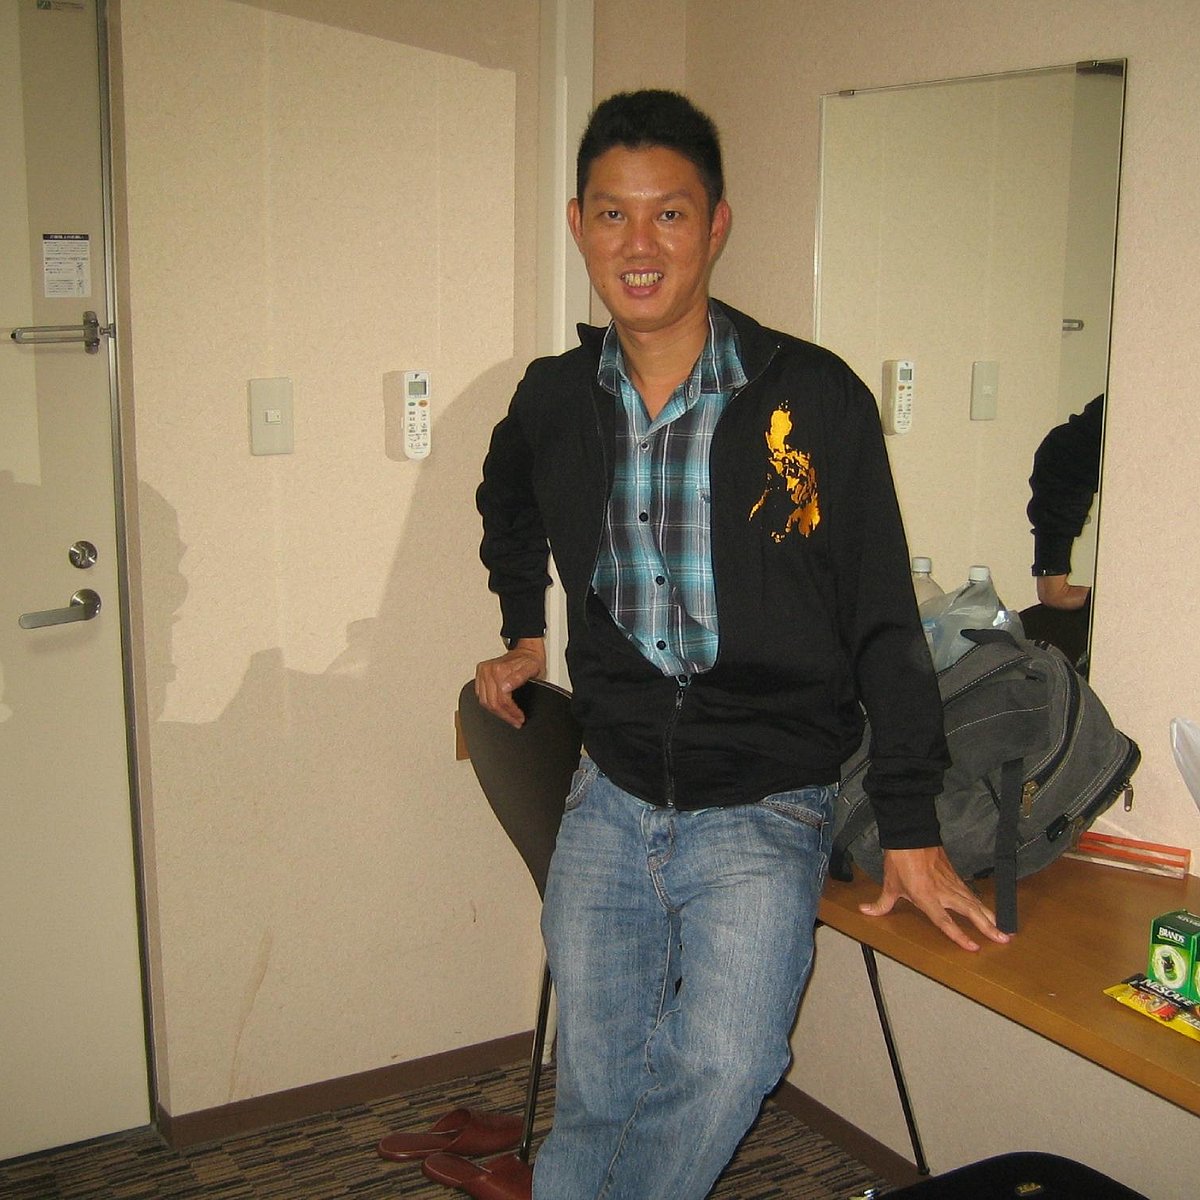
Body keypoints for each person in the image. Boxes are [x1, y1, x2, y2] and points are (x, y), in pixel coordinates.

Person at [473, 89, 1009, 1200]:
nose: (639, 244)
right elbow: (505, 499)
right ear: (578, 225)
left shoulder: (809, 399)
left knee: (725, 1065)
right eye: (613, 215)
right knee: (598, 1089)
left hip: (767, 805)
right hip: (611, 791)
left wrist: (909, 823)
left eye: (669, 213)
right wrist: (524, 627)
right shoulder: (556, 399)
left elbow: (882, 618)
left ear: (716, 224)